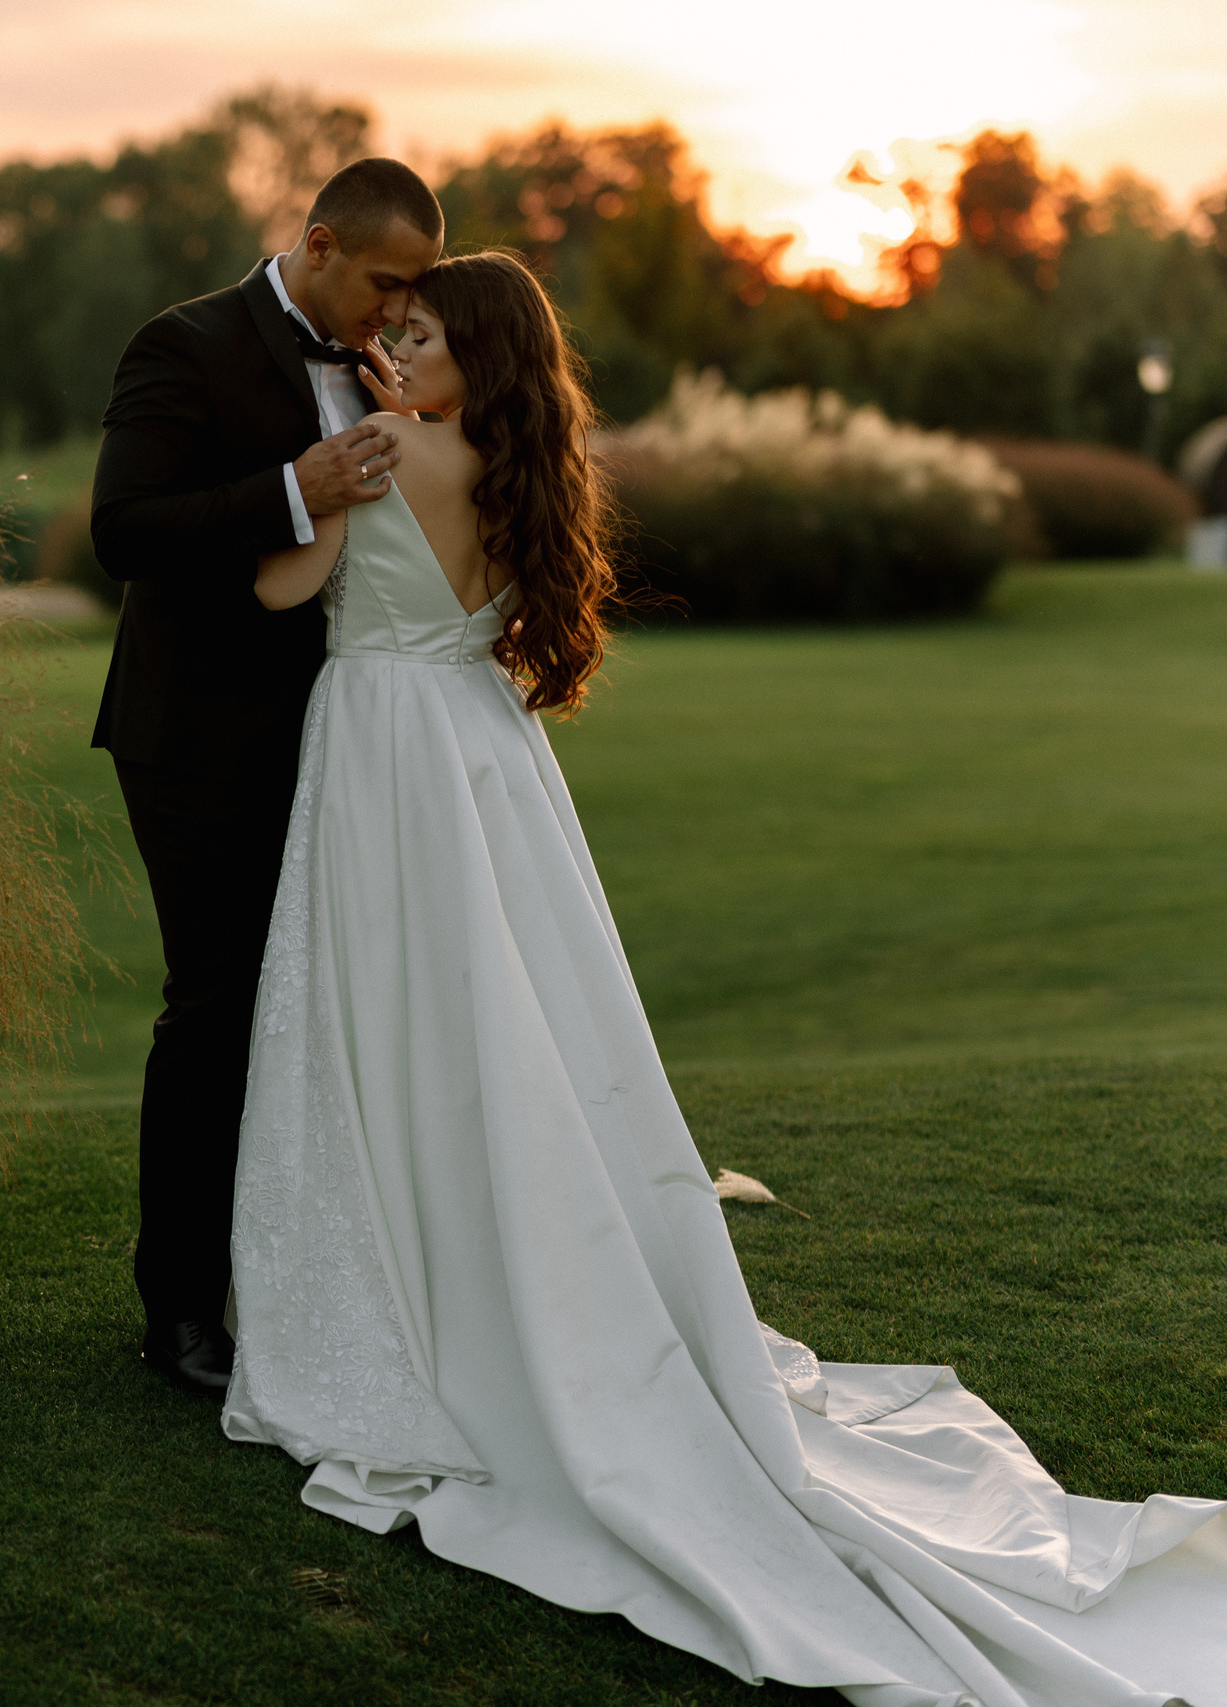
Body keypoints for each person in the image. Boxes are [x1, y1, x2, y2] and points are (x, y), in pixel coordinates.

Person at [224, 248, 1227, 1704]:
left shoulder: (382, 452)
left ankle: (411, 1291)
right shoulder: (522, 463)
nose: (394, 346)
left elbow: (277, 583)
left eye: (420, 332)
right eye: (392, 328)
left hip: (382, 752)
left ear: (468, 354)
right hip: (487, 758)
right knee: (507, 1016)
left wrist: (327, 470)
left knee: (396, 1017)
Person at [89, 158, 444, 1394]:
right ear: (320, 239)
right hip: (193, 731)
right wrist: (294, 488)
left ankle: (295, 1283)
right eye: (386, 282)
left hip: (340, 733)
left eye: (415, 295)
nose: (398, 310)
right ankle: (178, 1311)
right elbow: (121, 529)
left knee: (318, 1004)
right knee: (218, 1006)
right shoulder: (180, 343)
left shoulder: (370, 364)